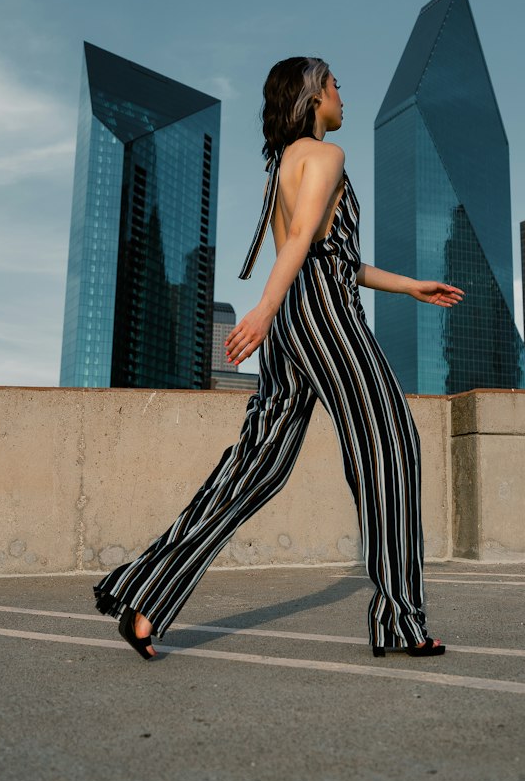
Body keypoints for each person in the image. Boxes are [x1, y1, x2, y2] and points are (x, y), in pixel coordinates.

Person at [93, 56, 463, 660]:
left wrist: (409, 285)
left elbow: (326, 252)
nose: (344, 93)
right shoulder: (326, 156)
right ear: (315, 94)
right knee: (392, 445)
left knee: (255, 468)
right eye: (337, 84)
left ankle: (146, 593)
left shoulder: (283, 168)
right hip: (320, 314)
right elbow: (300, 248)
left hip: (297, 312)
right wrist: (262, 310)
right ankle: (399, 617)